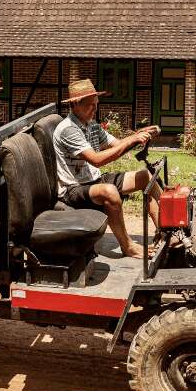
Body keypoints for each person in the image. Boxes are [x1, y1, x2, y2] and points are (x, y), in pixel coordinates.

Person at [53, 79, 162, 258]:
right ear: (75, 104)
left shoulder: (92, 125)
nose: (95, 110)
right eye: (90, 106)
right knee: (110, 192)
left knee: (145, 176)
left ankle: (163, 234)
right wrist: (131, 140)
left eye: (96, 105)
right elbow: (97, 160)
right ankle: (128, 246)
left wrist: (140, 135)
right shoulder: (68, 129)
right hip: (73, 189)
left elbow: (118, 145)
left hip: (94, 180)